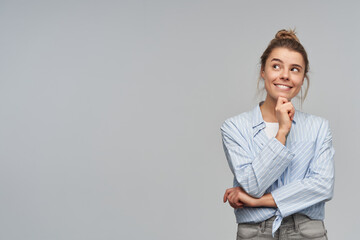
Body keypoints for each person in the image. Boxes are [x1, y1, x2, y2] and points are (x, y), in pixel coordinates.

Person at [221, 29, 335, 240]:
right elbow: (253, 185)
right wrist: (282, 132)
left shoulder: (319, 127)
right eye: (276, 66)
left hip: (306, 231)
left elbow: (322, 186)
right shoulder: (235, 127)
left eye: (295, 69)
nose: (285, 75)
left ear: (302, 78)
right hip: (255, 232)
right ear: (263, 71)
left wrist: (257, 202)